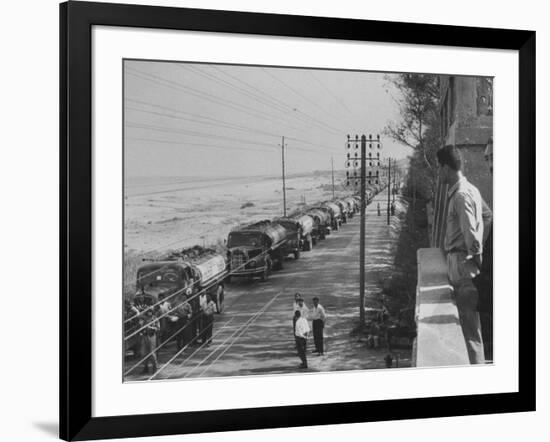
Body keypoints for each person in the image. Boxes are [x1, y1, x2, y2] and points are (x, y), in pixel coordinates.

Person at [437, 145, 492, 364]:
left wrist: (477, 263)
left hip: (463, 269)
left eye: (439, 168)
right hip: (462, 265)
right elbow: (488, 217)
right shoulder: (471, 189)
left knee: (469, 335)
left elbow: (472, 237)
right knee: (470, 332)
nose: (439, 173)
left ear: (446, 168)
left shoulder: (460, 195)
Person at [139, 309, 159, 374]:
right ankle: (145, 367)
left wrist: (150, 327)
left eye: (150, 311)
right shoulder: (144, 318)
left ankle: (155, 367)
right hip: (144, 336)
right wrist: (141, 330)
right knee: (144, 353)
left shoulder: (155, 318)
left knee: (152, 353)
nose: (149, 312)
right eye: (147, 311)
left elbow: (158, 328)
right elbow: (141, 327)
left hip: (151, 336)